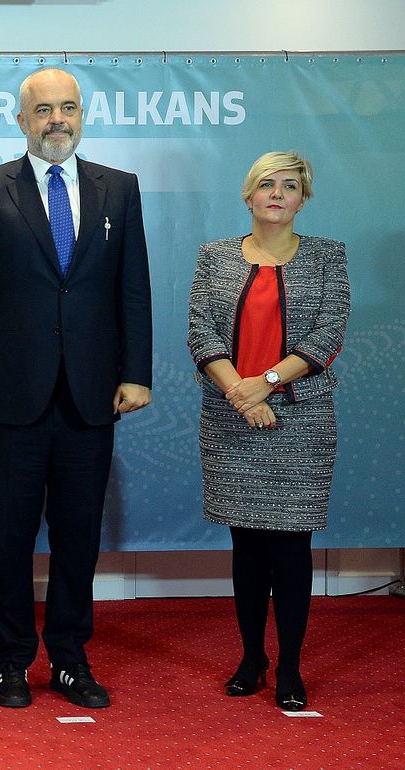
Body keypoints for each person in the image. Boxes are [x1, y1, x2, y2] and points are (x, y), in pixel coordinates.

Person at [0, 67, 152, 710]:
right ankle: (12, 660)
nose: (56, 120)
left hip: (92, 395)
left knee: (78, 536)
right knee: (8, 536)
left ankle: (69, 657)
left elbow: (133, 289)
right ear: (21, 119)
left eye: (67, 108)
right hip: (7, 397)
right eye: (43, 110)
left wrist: (136, 371)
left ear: (82, 114)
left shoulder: (119, 190)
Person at [187, 151, 349, 711]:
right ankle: (251, 657)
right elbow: (201, 332)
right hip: (232, 418)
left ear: (303, 198)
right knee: (247, 544)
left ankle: (291, 667)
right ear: (247, 195)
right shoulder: (214, 257)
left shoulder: (328, 257)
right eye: (266, 185)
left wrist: (269, 383)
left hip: (300, 420)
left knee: (292, 547)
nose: (277, 194)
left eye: (290, 186)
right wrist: (241, 392)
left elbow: (328, 335)